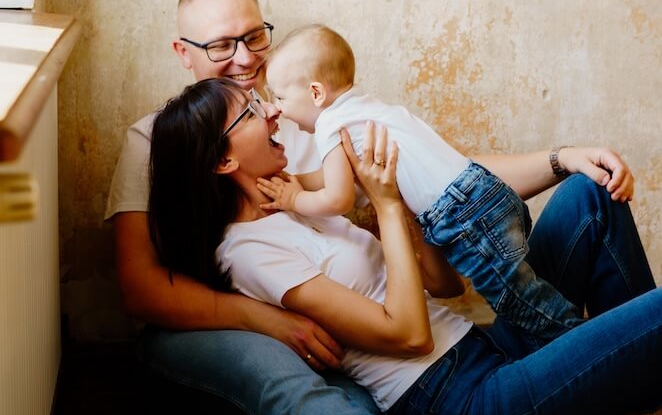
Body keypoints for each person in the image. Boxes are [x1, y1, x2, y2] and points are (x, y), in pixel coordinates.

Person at [107, 0, 541, 415]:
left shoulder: (294, 115)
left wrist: (557, 160)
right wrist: (267, 317)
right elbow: (140, 288)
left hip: (330, 312)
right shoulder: (155, 140)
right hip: (211, 319)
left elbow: (433, 173)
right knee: (302, 392)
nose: (245, 58)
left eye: (253, 36)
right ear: (184, 53)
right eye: (221, 45)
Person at [148, 75, 662, 415]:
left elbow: (445, 285)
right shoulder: (248, 251)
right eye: (251, 111)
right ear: (223, 159)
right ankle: (648, 408)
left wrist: (402, 194)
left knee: (587, 197)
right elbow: (409, 335)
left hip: (485, 350)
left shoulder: (300, 201)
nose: (272, 111)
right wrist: (386, 206)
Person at [258, 22, 621, 344]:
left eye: (280, 97)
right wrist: (294, 180)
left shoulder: (329, 125)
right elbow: (337, 177)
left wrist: (293, 199)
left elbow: (338, 198)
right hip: (488, 190)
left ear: (316, 93)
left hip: (462, 215)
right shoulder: (365, 109)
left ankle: (607, 351)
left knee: (530, 310)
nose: (277, 109)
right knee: (535, 295)